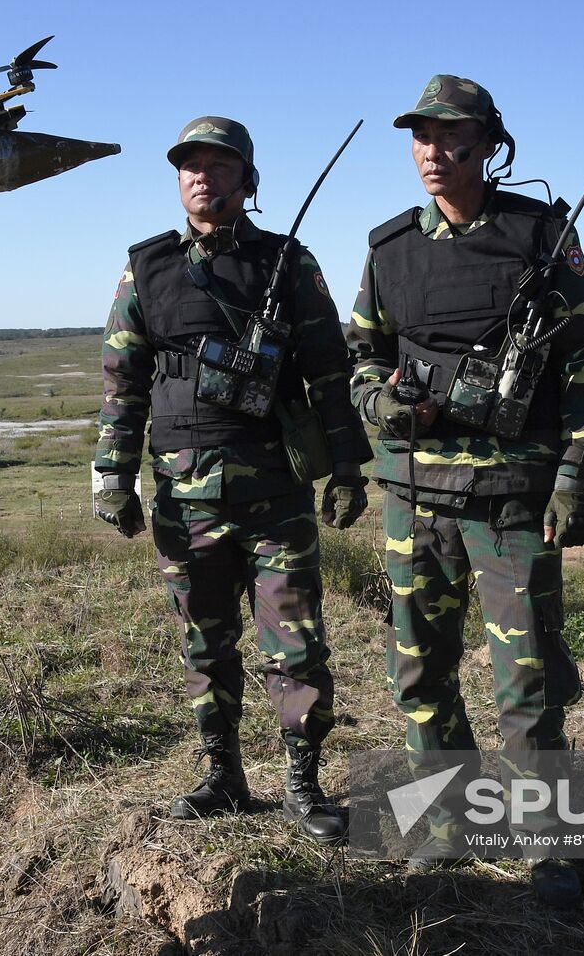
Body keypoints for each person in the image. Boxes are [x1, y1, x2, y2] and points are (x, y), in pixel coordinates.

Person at [346, 75, 584, 905]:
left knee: (525, 680)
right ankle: (449, 823)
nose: (432, 149)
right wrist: (379, 401)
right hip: (414, 494)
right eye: (420, 135)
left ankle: (547, 844)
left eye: (449, 134)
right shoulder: (388, 248)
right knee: (418, 672)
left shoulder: (541, 236)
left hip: (509, 498)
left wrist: (573, 478)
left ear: (489, 142)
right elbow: (359, 356)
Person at [92, 116, 372, 844]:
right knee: (205, 646)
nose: (202, 178)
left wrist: (347, 467)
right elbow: (123, 383)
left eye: (219, 166)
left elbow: (329, 375)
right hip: (184, 500)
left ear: (246, 179)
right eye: (189, 165)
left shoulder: (289, 263)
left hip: (276, 495)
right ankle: (223, 775)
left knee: (296, 645)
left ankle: (304, 786)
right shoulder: (146, 268)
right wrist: (112, 477)